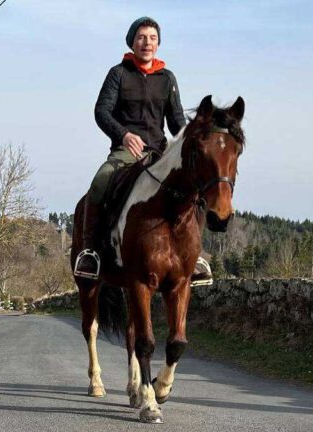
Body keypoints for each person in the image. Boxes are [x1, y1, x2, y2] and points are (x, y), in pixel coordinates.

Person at [74, 17, 212, 286]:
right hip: (126, 153)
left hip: (159, 153)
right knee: (100, 182)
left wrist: (188, 145)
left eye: (152, 38)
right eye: (141, 37)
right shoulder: (118, 74)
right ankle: (90, 252)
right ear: (132, 41)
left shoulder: (167, 78)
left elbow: (176, 121)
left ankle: (194, 257)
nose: (146, 42)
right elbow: (101, 112)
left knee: (197, 188)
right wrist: (123, 135)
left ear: (158, 44)